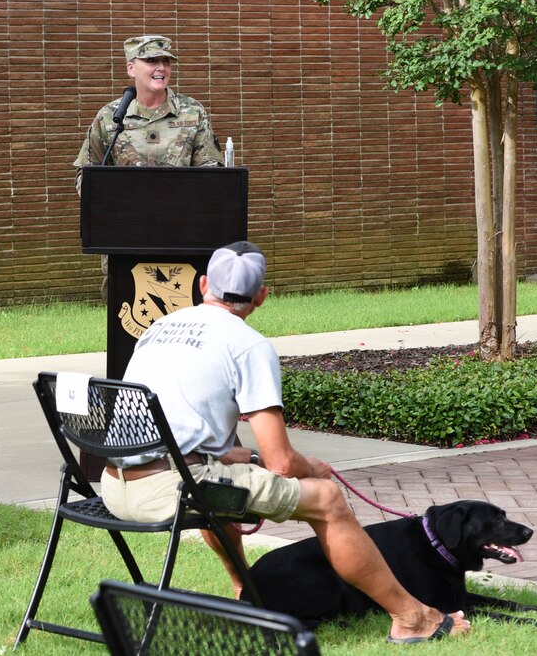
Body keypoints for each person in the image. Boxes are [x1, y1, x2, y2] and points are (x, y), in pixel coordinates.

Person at [100, 241, 471, 644]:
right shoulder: (249, 345)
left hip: (115, 488)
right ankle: (412, 618)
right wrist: (313, 470)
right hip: (174, 490)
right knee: (327, 500)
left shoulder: (159, 327)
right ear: (262, 296)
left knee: (223, 478)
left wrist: (241, 457)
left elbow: (179, 424)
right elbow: (280, 463)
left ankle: (246, 592)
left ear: (203, 284)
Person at [73, 34, 225, 193]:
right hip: (125, 213)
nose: (161, 67)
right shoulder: (110, 116)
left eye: (166, 61)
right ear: (130, 68)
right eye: (151, 60)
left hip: (181, 212)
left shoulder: (193, 112)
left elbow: (212, 171)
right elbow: (86, 173)